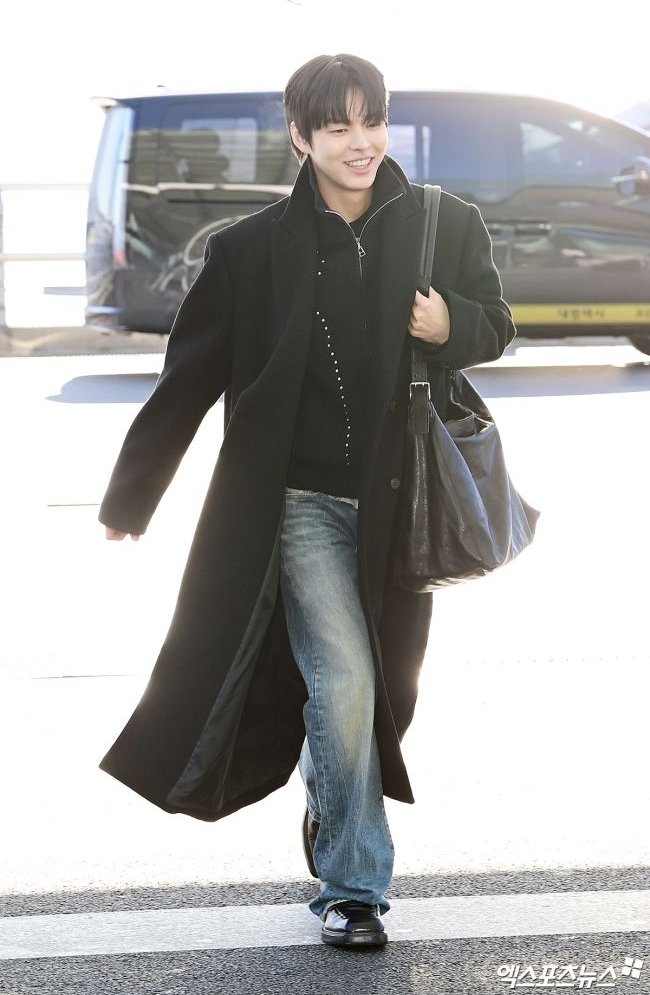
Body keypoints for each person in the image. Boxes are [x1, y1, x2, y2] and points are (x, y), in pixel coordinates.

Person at [99, 53, 516, 949]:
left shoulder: (444, 222)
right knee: (345, 682)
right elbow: (188, 378)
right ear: (300, 137)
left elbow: (496, 324)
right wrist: (132, 495)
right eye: (338, 127)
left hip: (401, 505)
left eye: (374, 121)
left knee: (385, 692)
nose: (362, 143)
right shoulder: (247, 251)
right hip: (298, 505)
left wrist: (452, 325)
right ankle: (353, 888)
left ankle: (331, 804)